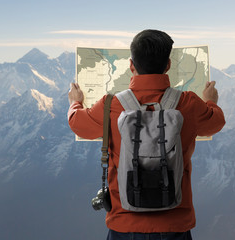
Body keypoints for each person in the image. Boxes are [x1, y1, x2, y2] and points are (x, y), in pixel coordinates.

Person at [68, 29, 225, 240]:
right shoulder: (188, 103)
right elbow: (216, 123)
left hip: (124, 224)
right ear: (168, 65)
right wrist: (210, 101)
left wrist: (75, 102)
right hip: (175, 224)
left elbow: (78, 125)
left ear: (131, 65)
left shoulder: (110, 105)